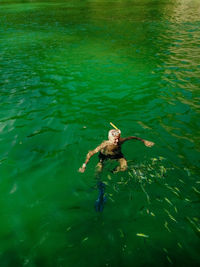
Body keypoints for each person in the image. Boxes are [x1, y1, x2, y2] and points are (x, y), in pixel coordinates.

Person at [79, 128, 154, 174]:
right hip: (105, 156)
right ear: (109, 138)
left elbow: (133, 137)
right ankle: (97, 181)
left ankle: (113, 171)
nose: (117, 141)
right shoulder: (105, 144)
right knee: (99, 170)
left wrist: (144, 141)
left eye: (118, 138)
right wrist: (84, 165)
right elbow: (91, 153)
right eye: (115, 139)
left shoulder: (121, 140)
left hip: (118, 155)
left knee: (124, 168)